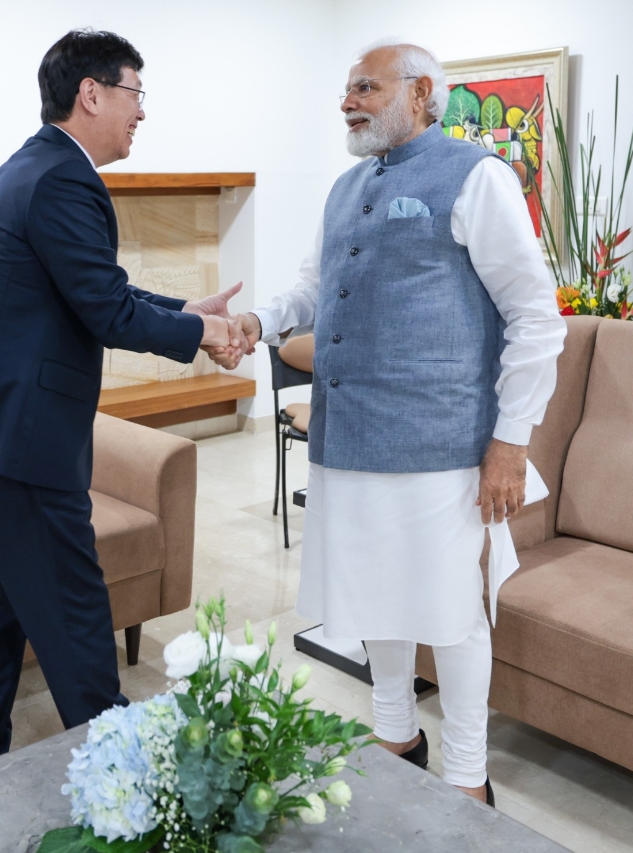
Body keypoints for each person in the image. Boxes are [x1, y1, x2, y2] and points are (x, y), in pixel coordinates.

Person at [213, 39, 566, 804]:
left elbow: (537, 317)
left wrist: (510, 442)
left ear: (421, 94)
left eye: (366, 87)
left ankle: (468, 777)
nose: (348, 102)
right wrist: (256, 321)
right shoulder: (345, 189)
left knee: (451, 611)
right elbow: (313, 289)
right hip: (347, 439)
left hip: (441, 446)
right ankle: (397, 732)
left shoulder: (477, 176)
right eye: (347, 89)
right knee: (376, 595)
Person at [0, 28, 246, 774]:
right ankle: (122, 778)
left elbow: (95, 287)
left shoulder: (34, 165)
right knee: (73, 608)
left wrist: (186, 310)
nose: (142, 112)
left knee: (2, 597)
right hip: (21, 437)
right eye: (136, 93)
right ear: (91, 94)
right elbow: (106, 311)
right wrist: (202, 332)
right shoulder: (65, 179)